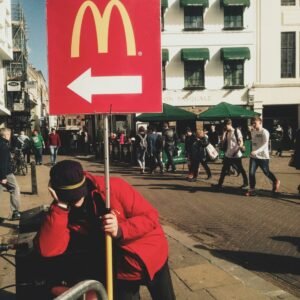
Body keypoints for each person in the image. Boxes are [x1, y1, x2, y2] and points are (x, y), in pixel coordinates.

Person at [35, 160, 175, 300]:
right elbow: (49, 250)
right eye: (69, 196)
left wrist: (121, 230)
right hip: (120, 271)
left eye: (77, 194)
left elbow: (150, 217)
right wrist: (60, 207)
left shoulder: (112, 187)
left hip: (150, 257)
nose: (75, 201)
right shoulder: (60, 211)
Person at [246, 117, 280, 196]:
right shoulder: (252, 132)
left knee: (266, 172)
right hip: (254, 157)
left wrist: (256, 151)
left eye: (255, 123)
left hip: (263, 157)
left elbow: (265, 144)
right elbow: (253, 142)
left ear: (260, 123)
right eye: (252, 123)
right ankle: (252, 189)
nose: (253, 125)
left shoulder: (265, 132)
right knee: (251, 173)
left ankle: (275, 181)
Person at [214, 119, 248, 189]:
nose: (225, 128)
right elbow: (223, 142)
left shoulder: (236, 131)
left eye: (225, 126)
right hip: (228, 154)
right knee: (223, 170)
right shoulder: (227, 132)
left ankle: (246, 183)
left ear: (229, 124)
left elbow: (241, 141)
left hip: (236, 154)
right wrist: (224, 133)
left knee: (241, 169)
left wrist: (240, 146)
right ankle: (219, 184)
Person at [0, 128, 21, 221]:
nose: (10, 136)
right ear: (5, 135)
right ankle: (15, 212)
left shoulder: (3, 144)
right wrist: (3, 177)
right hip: (6, 173)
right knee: (15, 189)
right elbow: (2, 163)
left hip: (3, 172)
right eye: (9, 134)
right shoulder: (3, 146)